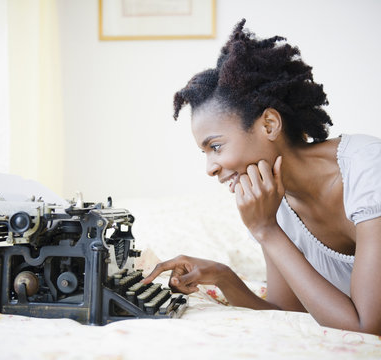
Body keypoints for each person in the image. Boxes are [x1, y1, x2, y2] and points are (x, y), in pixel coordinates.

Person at [142, 19, 381, 335]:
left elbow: (366, 329)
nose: (210, 168)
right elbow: (289, 312)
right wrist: (224, 276)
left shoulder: (368, 168)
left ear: (269, 124)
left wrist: (266, 230)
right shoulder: (274, 201)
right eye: (205, 153)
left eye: (215, 146)